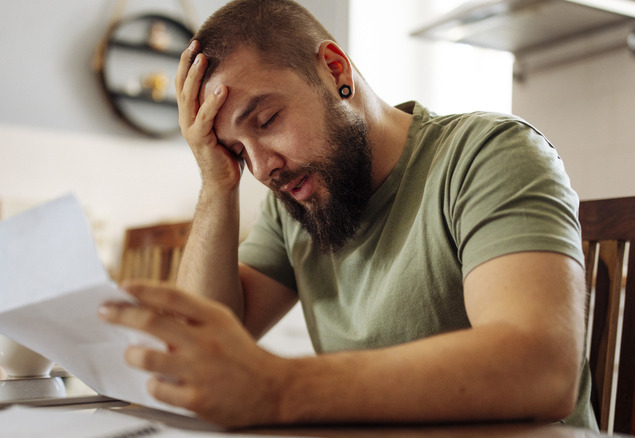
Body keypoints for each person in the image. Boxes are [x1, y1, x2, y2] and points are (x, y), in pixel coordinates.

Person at [99, 0, 597, 429]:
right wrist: (216, 181)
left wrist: (277, 388)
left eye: (267, 120)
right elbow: (199, 346)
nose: (263, 167)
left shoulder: (488, 154)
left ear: (335, 70)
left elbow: (542, 368)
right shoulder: (294, 201)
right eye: (236, 150)